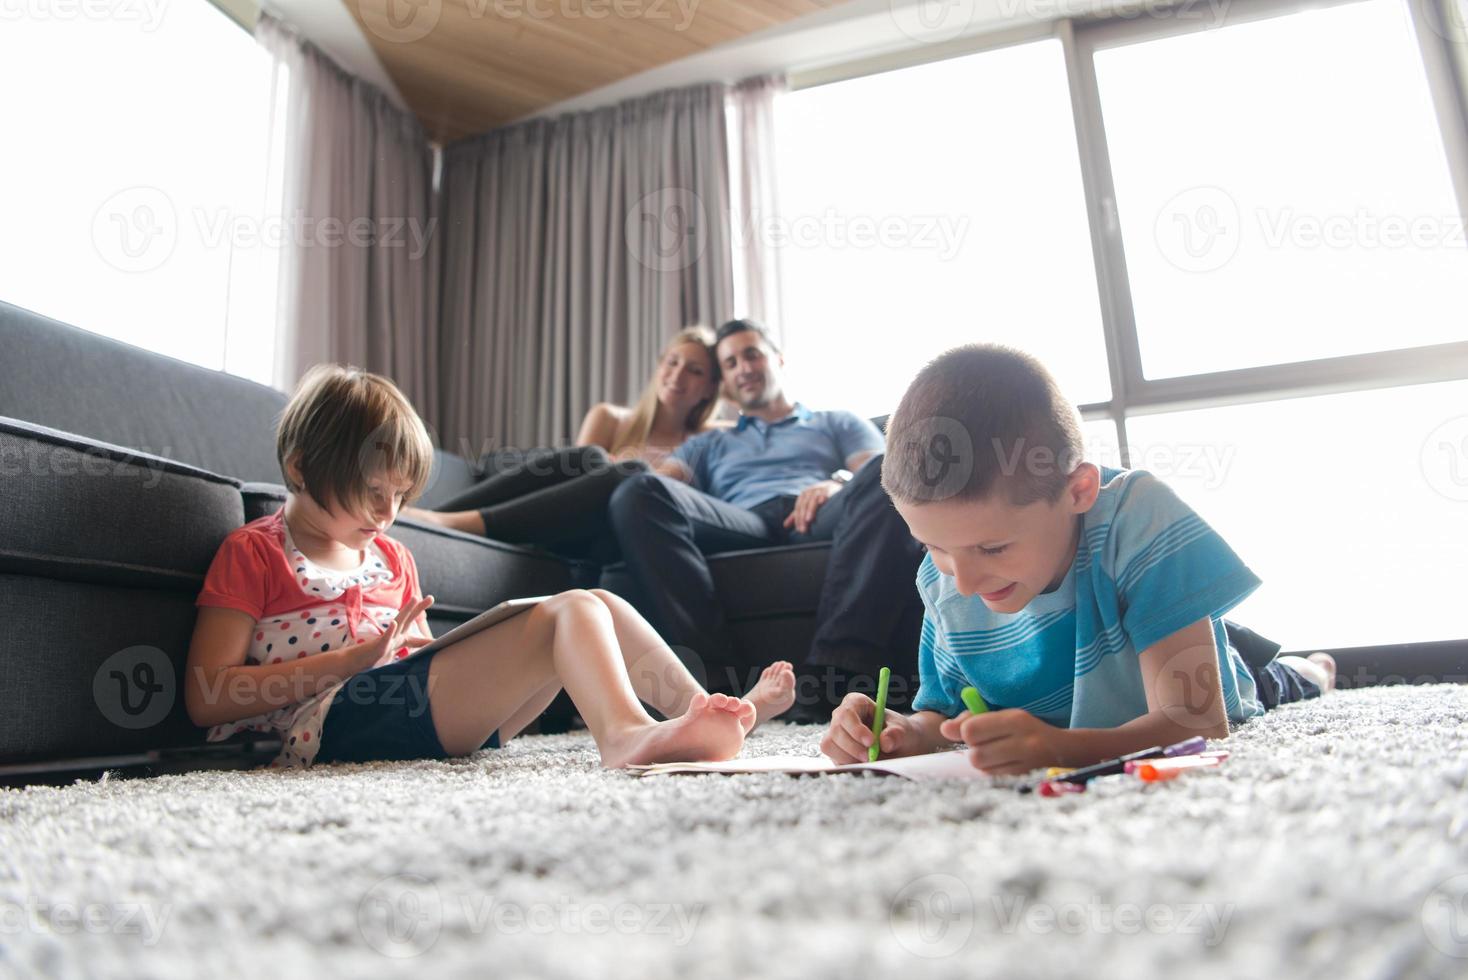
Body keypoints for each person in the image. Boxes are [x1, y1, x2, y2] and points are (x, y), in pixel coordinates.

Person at [184, 365, 795, 770]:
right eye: (373, 491)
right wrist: (350, 661)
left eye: (401, 496)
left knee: (598, 604)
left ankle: (704, 713)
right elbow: (207, 697)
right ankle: (625, 736)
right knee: (575, 608)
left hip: (403, 711)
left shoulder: (391, 557)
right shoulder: (256, 552)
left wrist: (430, 653)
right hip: (311, 729)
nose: (389, 513)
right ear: (299, 468)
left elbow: (416, 663)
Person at [819, 344, 1336, 772]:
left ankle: (1312, 669)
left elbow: (1198, 721)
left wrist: (1061, 748)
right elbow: (943, 718)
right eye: (934, 547)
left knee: (1275, 680)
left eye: (993, 547)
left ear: (1080, 490)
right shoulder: (943, 577)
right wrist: (902, 732)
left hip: (1195, 681)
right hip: (1079, 685)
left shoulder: (1139, 517)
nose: (966, 582)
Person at [607, 319, 927, 716]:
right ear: (723, 381)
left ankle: (835, 675)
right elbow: (660, 484)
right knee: (637, 492)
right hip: (743, 521)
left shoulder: (835, 421)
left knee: (886, 475)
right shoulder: (710, 441)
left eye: (751, 354)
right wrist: (627, 461)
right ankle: (718, 684)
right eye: (730, 362)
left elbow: (878, 469)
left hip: (816, 512)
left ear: (776, 358)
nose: (743, 367)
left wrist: (837, 483)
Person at [405, 326, 725, 553]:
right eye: (672, 362)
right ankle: (437, 517)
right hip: (565, 522)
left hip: (623, 536)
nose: (678, 375)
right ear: (660, 367)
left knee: (632, 474)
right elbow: (571, 485)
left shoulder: (710, 440)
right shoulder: (612, 418)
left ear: (711, 387)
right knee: (593, 458)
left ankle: (447, 522)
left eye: (695, 370)